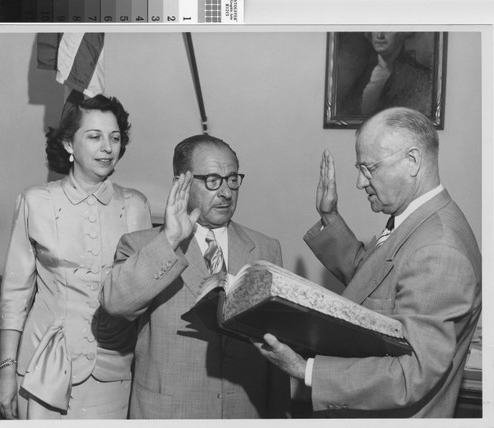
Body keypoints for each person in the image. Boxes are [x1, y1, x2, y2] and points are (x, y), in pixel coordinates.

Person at [253, 107, 481, 418]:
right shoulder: (417, 222)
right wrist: (330, 218)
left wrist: (305, 370)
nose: (360, 182)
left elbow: (413, 373)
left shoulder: (439, 248)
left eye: (369, 168)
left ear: (412, 161)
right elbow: (378, 282)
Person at [100, 134, 290, 419]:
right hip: (169, 414)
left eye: (232, 179)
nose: (226, 192)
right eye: (212, 180)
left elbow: (276, 352)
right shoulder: (142, 246)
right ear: (182, 183)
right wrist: (170, 239)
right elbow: (115, 303)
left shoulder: (265, 249)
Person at [0, 94, 152, 419]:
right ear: (69, 143)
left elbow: (142, 298)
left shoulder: (136, 205)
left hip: (113, 370)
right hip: (42, 368)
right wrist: (6, 370)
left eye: (115, 137)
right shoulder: (34, 201)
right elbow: (14, 296)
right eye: (94, 137)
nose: (107, 148)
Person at [340, 32, 432, 117]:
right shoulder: (362, 71)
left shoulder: (420, 77)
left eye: (389, 28)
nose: (380, 35)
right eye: (375, 27)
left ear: (402, 33)